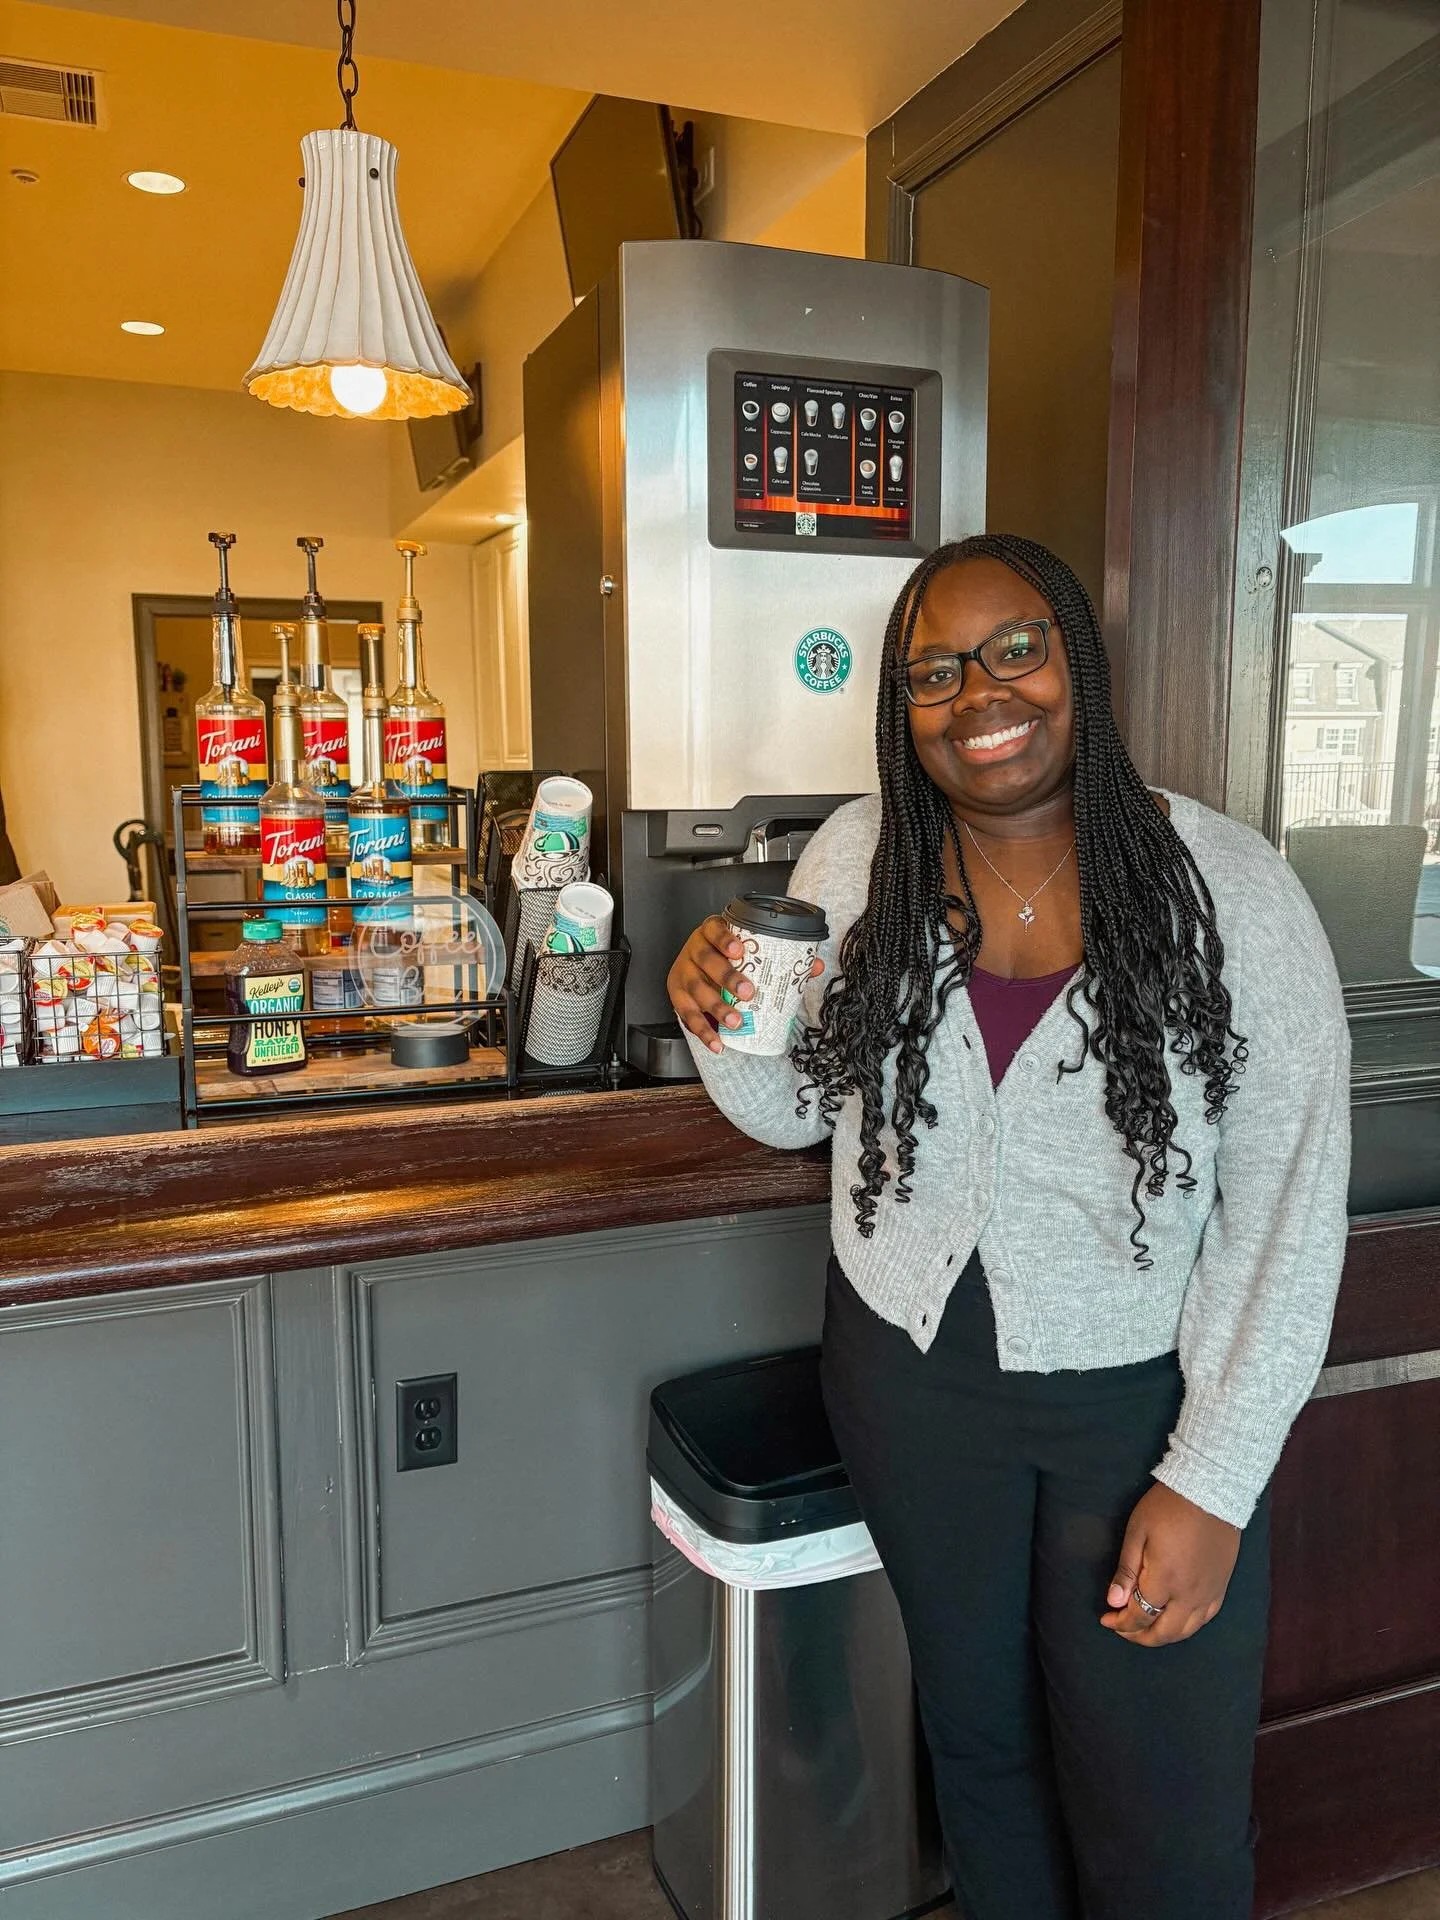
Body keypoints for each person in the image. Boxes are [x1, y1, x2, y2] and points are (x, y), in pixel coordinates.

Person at [667, 533, 1351, 1920]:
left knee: (1162, 1800)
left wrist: (1212, 1481)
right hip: (907, 1380)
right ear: (900, 707)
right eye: (933, 670)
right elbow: (802, 1111)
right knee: (982, 1754)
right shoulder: (865, 854)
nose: (980, 693)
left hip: (1132, 1402)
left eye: (1015, 648)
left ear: (1075, 666)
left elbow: (1288, 1209)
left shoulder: (1229, 889)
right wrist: (722, 1017)